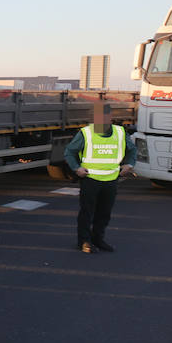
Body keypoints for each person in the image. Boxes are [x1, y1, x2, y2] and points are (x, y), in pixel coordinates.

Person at [65, 103, 136, 253]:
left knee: (104, 213)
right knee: (87, 212)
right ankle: (84, 241)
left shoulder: (120, 133)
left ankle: (98, 239)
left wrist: (129, 164)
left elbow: (132, 150)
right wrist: (77, 168)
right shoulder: (86, 133)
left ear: (110, 117)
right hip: (90, 179)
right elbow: (69, 152)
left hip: (111, 179)